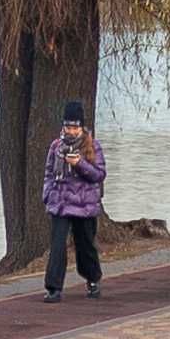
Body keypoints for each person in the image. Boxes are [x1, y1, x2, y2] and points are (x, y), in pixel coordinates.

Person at [41, 103, 107, 300]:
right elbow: (48, 173)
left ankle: (93, 279)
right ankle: (54, 288)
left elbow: (99, 175)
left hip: (84, 204)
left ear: (82, 127)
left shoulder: (93, 146)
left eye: (74, 127)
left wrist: (79, 164)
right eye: (68, 127)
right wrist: (48, 195)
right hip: (60, 203)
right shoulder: (56, 146)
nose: (71, 131)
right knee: (58, 245)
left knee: (85, 244)